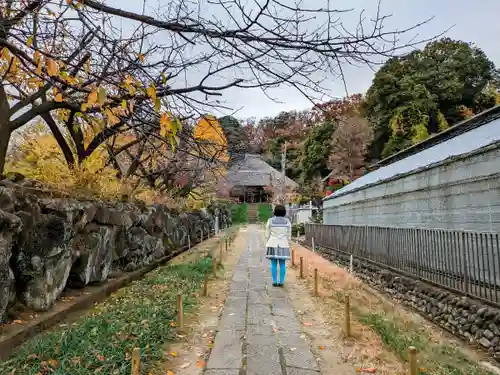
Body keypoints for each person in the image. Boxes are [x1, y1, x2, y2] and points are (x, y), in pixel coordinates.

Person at [265, 204, 292, 287]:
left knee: (273, 263)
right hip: (283, 244)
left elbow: (267, 234)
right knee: (282, 264)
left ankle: (274, 281)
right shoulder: (287, 221)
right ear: (284, 212)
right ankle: (281, 282)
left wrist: (268, 239)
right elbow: (289, 235)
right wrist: (288, 241)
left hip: (273, 243)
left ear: (275, 212)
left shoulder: (270, 220)